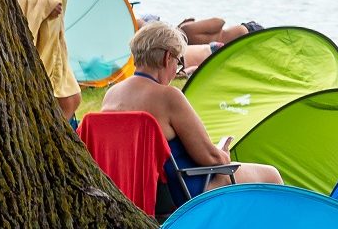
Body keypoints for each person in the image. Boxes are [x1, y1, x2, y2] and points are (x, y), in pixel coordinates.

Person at [105, 21, 284, 191]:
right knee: (271, 175)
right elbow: (210, 158)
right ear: (168, 57)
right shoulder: (168, 96)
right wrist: (223, 154)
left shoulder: (112, 94)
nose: (177, 70)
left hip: (131, 188)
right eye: (178, 61)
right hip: (182, 189)